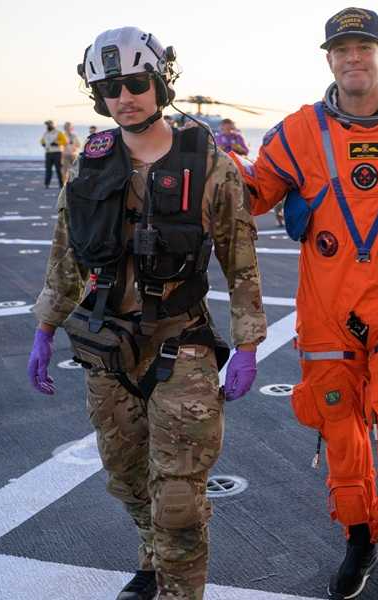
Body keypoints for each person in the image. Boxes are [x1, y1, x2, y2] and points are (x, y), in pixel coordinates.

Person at [232, 8, 378, 599]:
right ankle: (360, 537)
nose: (353, 58)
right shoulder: (300, 131)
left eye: (364, 47)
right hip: (328, 310)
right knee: (338, 426)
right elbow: (252, 193)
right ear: (329, 59)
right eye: (342, 49)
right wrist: (202, 159)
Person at [26, 27, 266, 600]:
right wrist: (44, 329)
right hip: (106, 347)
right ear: (97, 97)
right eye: (110, 88)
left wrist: (249, 344)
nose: (124, 96)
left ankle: (179, 586)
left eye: (136, 82)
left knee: (179, 499)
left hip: (181, 345)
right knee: (128, 479)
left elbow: (241, 260)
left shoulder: (209, 162)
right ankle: (153, 558)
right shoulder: (89, 165)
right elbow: (65, 256)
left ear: (160, 83)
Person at [40, 119, 67, 188]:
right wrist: (42, 143)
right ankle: (47, 184)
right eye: (47, 124)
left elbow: (65, 141)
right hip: (48, 153)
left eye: (49, 124)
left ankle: (61, 184)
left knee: (59, 169)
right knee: (48, 169)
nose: (48, 126)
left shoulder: (58, 133)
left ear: (53, 125)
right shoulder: (46, 133)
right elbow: (42, 140)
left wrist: (57, 143)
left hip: (57, 153)